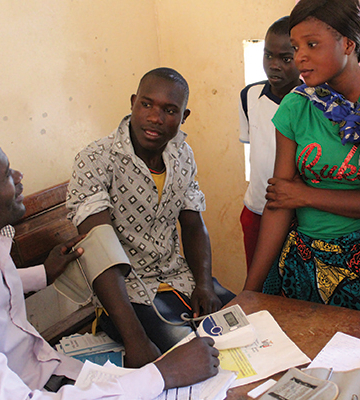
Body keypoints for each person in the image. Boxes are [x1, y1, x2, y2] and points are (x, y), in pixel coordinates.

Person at [244, 0, 360, 313]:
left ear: (348, 43)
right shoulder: (294, 106)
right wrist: (250, 291)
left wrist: (306, 195)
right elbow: (280, 202)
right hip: (308, 259)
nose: (300, 57)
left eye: (312, 44)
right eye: (296, 46)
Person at [0, 147, 220, 399]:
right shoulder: (97, 159)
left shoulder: (180, 154)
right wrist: (162, 374)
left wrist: (43, 274)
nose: (19, 175)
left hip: (44, 369)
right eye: (6, 174)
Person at [67, 68, 235, 368]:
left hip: (176, 277)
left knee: (245, 324)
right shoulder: (96, 160)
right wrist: (136, 341)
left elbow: (193, 224)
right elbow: (99, 252)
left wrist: (204, 284)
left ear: (184, 116)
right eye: (147, 104)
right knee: (192, 352)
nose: (155, 117)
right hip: (125, 293)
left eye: (169, 110)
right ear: (133, 102)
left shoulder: (182, 154)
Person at [239, 16, 301, 270]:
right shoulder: (249, 95)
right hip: (256, 209)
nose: (274, 66)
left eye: (286, 59)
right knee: (260, 280)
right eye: (268, 56)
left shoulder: (313, 100)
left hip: (299, 215)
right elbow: (254, 146)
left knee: (295, 284)